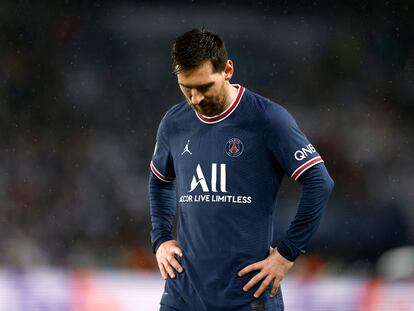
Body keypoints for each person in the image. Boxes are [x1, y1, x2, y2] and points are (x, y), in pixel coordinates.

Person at [149, 28, 334, 311]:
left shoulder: (267, 118)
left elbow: (319, 182)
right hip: (183, 294)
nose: (196, 99)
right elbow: (160, 180)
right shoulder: (174, 123)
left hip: (247, 295)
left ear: (227, 70)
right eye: (187, 88)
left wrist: (286, 254)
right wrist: (161, 237)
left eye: (205, 86)